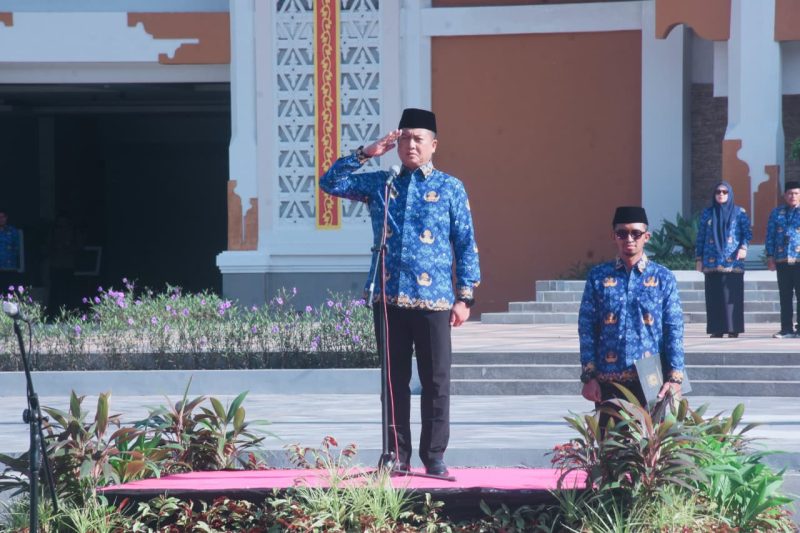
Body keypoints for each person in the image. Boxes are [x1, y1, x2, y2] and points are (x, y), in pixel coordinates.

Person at [320, 108, 481, 476]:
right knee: (392, 382)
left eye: (418, 138)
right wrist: (366, 153)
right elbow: (330, 182)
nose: (410, 144)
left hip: (436, 300)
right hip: (388, 296)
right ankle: (395, 455)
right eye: (404, 137)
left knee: (436, 381)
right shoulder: (382, 184)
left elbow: (465, 242)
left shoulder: (450, 187)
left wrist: (465, 295)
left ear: (433, 145)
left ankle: (434, 456)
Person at [578, 206, 684, 426]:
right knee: (611, 448)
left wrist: (675, 377)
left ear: (646, 236)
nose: (629, 239)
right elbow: (587, 327)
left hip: (651, 377)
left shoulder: (663, 277)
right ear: (613, 236)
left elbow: (673, 328)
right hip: (609, 378)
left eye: (635, 233)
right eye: (622, 233)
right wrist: (589, 376)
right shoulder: (598, 277)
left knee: (648, 451)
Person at [694, 181, 752, 338]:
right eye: (718, 192)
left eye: (725, 192)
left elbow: (747, 233)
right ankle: (717, 329)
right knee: (714, 296)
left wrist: (743, 247)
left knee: (732, 298)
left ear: (730, 194)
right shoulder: (707, 213)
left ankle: (733, 329)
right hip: (711, 261)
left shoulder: (739, 212)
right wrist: (699, 258)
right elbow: (701, 237)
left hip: (732, 261)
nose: (721, 194)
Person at [766, 181, 800, 338]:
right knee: (785, 295)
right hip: (782, 260)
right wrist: (770, 256)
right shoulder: (776, 213)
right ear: (785, 195)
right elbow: (770, 236)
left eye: (796, 193)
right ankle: (786, 329)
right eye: (790, 193)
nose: (793, 196)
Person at [0, 210, 21, 292]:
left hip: (10, 268)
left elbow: (17, 248)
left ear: (6, 218)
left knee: (9, 293)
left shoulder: (13, 231)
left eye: (3, 217)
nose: (1, 219)